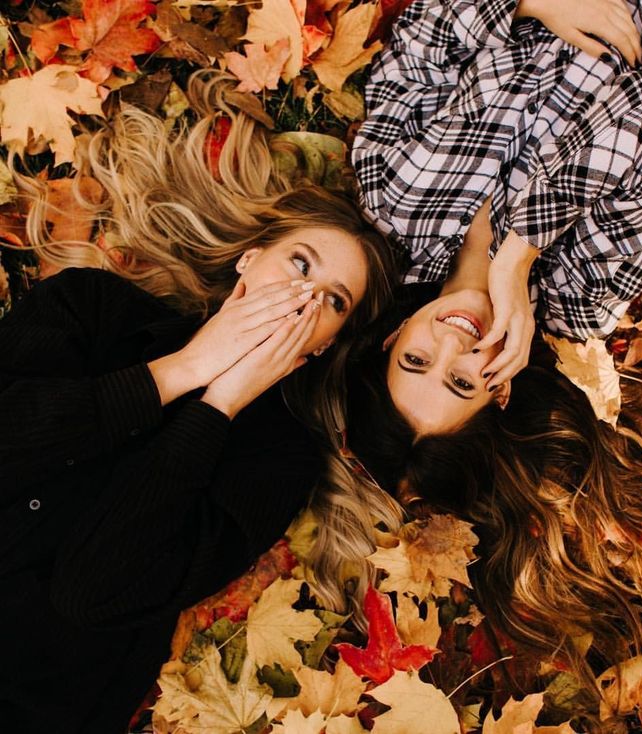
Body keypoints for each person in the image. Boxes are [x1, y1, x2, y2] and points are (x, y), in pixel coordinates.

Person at [303, 0, 642, 689]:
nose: (450, 345)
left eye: (416, 360)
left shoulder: (390, 195)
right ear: (500, 388)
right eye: (463, 382)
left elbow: (425, 37)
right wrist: (519, 256)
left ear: (390, 337)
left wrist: (529, 2)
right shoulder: (583, 291)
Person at [0, 72, 397, 733]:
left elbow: (90, 591)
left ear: (328, 343)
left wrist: (217, 407)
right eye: (300, 265)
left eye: (333, 302)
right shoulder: (94, 309)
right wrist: (180, 371)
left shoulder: (275, 458)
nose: (304, 300)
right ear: (249, 261)